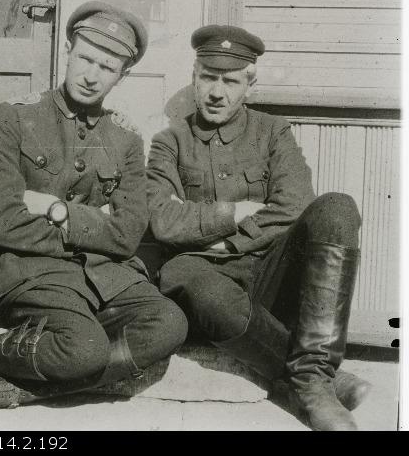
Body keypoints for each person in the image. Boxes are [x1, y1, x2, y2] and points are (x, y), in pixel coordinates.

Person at [0, 1, 188, 418]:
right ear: (67, 51)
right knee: (84, 348)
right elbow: (5, 224)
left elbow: (127, 234)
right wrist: (97, 224)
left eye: (107, 68)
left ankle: (2, 383)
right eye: (85, 59)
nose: (91, 75)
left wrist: (55, 209)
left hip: (105, 275)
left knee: (169, 323)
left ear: (122, 75)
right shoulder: (13, 118)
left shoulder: (126, 138)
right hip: (30, 268)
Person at [145, 25, 370, 431]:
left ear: (250, 84)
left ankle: (312, 376)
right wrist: (233, 213)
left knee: (337, 207)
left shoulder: (272, 132)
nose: (217, 92)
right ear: (194, 77)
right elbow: (163, 220)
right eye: (208, 78)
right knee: (184, 274)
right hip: (210, 286)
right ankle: (316, 382)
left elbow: (295, 206)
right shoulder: (169, 143)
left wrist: (228, 244)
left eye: (230, 81)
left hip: (268, 275)